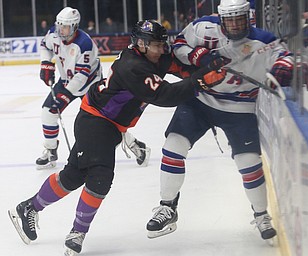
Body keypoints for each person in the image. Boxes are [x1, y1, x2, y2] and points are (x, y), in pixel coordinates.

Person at [8, 19, 227, 255]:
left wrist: (205, 65)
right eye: (156, 45)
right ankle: (77, 233)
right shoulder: (133, 66)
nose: (161, 49)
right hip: (96, 120)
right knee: (100, 176)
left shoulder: (153, 55)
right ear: (141, 44)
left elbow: (178, 65)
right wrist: (201, 80)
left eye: (161, 44)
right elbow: (166, 95)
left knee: (73, 175)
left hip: (109, 123)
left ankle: (29, 207)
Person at [146, 0, 294, 242]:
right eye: (230, 20)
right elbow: (179, 45)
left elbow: (285, 57)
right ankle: (167, 206)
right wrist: (197, 55)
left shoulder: (263, 41)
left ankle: (261, 215)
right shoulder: (204, 27)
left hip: (240, 107)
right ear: (221, 18)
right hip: (200, 99)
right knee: (173, 146)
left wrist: (282, 68)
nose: (235, 25)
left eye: (240, 19)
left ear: (249, 16)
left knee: (249, 164)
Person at [35, 7, 149, 169]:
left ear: (74, 26)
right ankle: (51, 150)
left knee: (105, 122)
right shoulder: (53, 34)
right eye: (59, 26)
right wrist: (46, 63)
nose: (61, 30)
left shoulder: (85, 44)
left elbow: (82, 75)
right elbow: (44, 45)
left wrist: (66, 94)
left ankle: (136, 146)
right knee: (48, 111)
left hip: (90, 85)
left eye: (65, 27)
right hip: (67, 81)